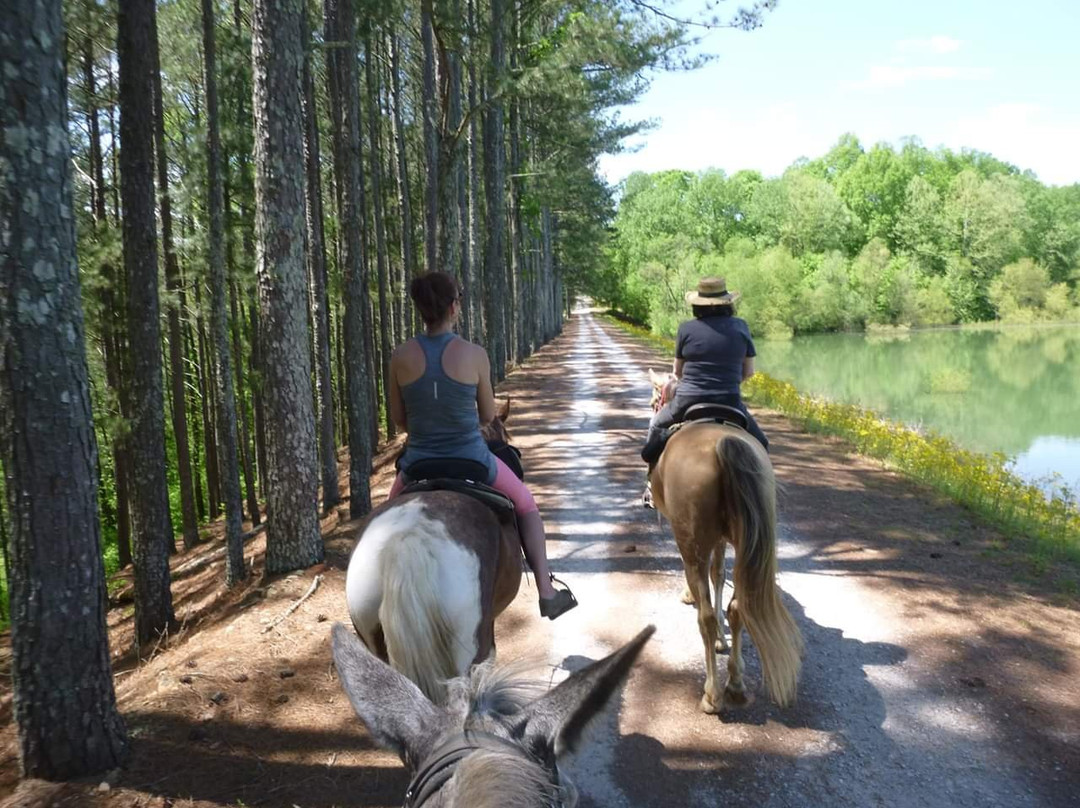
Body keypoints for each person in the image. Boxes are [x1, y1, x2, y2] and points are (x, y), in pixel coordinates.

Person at [386, 271, 577, 620]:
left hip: (418, 464)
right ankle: (547, 591)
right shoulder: (474, 354)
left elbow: (400, 420)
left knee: (384, 519)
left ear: (420, 309)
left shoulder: (400, 356)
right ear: (453, 307)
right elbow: (489, 415)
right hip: (472, 459)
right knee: (526, 504)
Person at [641, 277, 768, 505]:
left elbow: (678, 372)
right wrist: (726, 382)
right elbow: (748, 372)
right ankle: (762, 493)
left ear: (697, 305)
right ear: (727, 303)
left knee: (656, 425)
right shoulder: (741, 327)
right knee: (762, 444)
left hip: (688, 400)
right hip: (730, 401)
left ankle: (651, 486)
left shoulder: (686, 329)